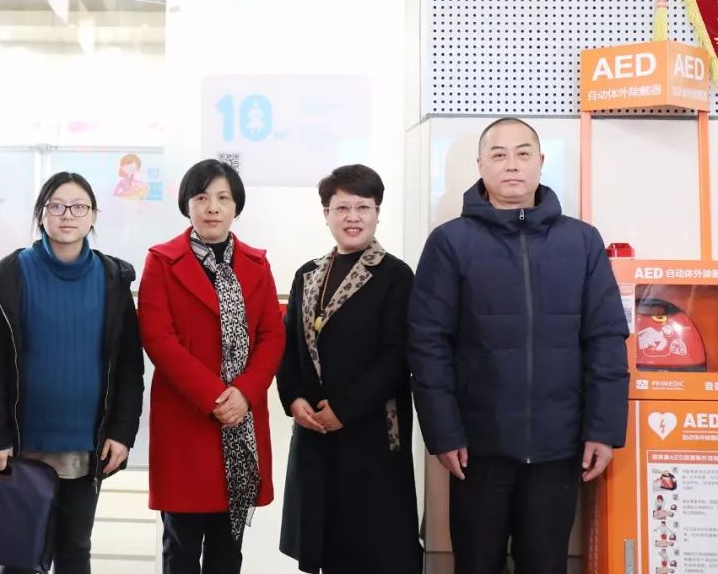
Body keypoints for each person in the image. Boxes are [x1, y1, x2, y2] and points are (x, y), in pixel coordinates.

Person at [408, 117, 629, 574]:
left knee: (545, 564)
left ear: (541, 162)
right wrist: (444, 434)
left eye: (523, 153)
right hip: (477, 450)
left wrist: (603, 429)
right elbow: (428, 345)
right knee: (476, 564)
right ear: (480, 166)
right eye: (499, 155)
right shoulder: (450, 242)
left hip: (558, 448)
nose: (512, 165)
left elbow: (606, 339)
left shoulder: (581, 241)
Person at [0, 172, 144, 574]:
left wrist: (122, 431)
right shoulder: (9, 276)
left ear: (93, 215)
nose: (68, 215)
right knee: (19, 552)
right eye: (56, 206)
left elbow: (128, 365)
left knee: (74, 549)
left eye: (79, 207)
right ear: (41, 214)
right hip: (22, 444)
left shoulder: (113, 279)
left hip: (86, 443)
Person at [138, 158, 285, 574]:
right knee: (181, 548)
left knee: (228, 551)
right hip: (186, 421)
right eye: (202, 198)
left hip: (241, 422)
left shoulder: (257, 264)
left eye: (223, 198)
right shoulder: (161, 261)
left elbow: (272, 335)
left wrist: (245, 393)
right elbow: (158, 338)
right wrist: (215, 397)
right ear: (187, 204)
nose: (213, 207)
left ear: (236, 206)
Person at [277, 164, 423, 574]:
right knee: (327, 544)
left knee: (374, 548)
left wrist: (344, 409)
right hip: (316, 431)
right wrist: (294, 398)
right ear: (326, 213)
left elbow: (398, 355)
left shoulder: (395, 275)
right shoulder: (308, 274)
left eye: (363, 207)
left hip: (372, 431)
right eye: (342, 208)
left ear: (377, 213)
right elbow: (288, 346)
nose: (352, 217)